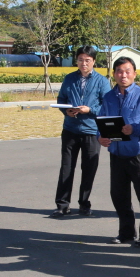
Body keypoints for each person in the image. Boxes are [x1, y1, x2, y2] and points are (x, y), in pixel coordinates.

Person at [98, 57, 140, 247]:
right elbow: (102, 120)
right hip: (116, 152)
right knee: (118, 194)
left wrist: (135, 129)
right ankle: (126, 233)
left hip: (138, 152)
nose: (123, 75)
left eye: (127, 71)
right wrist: (101, 136)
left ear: (134, 73)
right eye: (119, 71)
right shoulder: (108, 97)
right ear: (114, 74)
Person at [52, 46, 112, 217]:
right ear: (76, 60)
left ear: (93, 61)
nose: (83, 63)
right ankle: (62, 205)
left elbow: (106, 105)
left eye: (87, 60)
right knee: (66, 168)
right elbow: (62, 99)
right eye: (80, 59)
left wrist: (89, 110)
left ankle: (84, 204)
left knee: (89, 169)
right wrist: (66, 111)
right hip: (70, 129)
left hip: (92, 131)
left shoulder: (102, 81)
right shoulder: (69, 78)